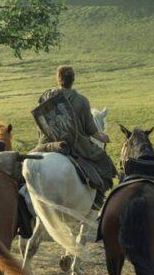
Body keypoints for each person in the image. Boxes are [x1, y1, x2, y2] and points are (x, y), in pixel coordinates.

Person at [35, 66, 116, 208]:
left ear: (58, 79)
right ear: (73, 80)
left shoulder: (45, 96)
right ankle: (96, 202)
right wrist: (103, 137)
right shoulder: (81, 100)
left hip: (47, 142)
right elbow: (91, 130)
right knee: (105, 163)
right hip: (74, 144)